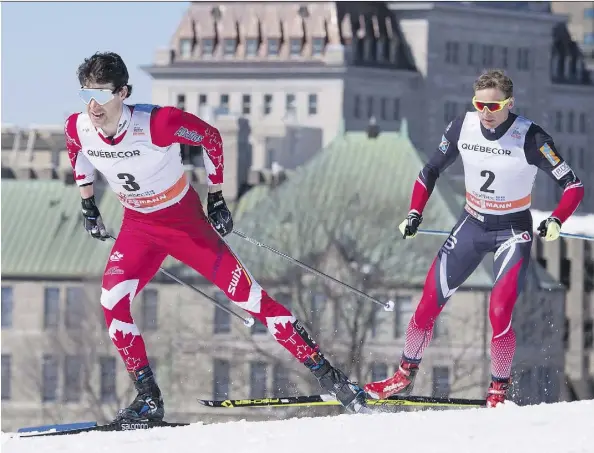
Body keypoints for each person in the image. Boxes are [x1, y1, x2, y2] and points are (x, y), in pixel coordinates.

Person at [64, 52, 368, 422]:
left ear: (123, 92)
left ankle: (334, 379)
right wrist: (88, 206)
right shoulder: (77, 126)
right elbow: (78, 154)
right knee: (111, 300)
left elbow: (210, 137)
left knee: (252, 299)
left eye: (102, 93)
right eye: (86, 94)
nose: (93, 104)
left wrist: (216, 196)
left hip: (184, 224)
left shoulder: (158, 123)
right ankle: (148, 398)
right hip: (138, 228)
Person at [364, 69, 585, 407]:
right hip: (472, 224)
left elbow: (573, 185)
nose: (486, 113)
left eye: (494, 107)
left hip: (513, 230)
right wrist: (414, 213)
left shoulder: (531, 138)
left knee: (499, 311)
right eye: (480, 104)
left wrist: (556, 219)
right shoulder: (461, 127)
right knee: (427, 305)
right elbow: (429, 171)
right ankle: (403, 375)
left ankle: (497, 389)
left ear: (509, 104)